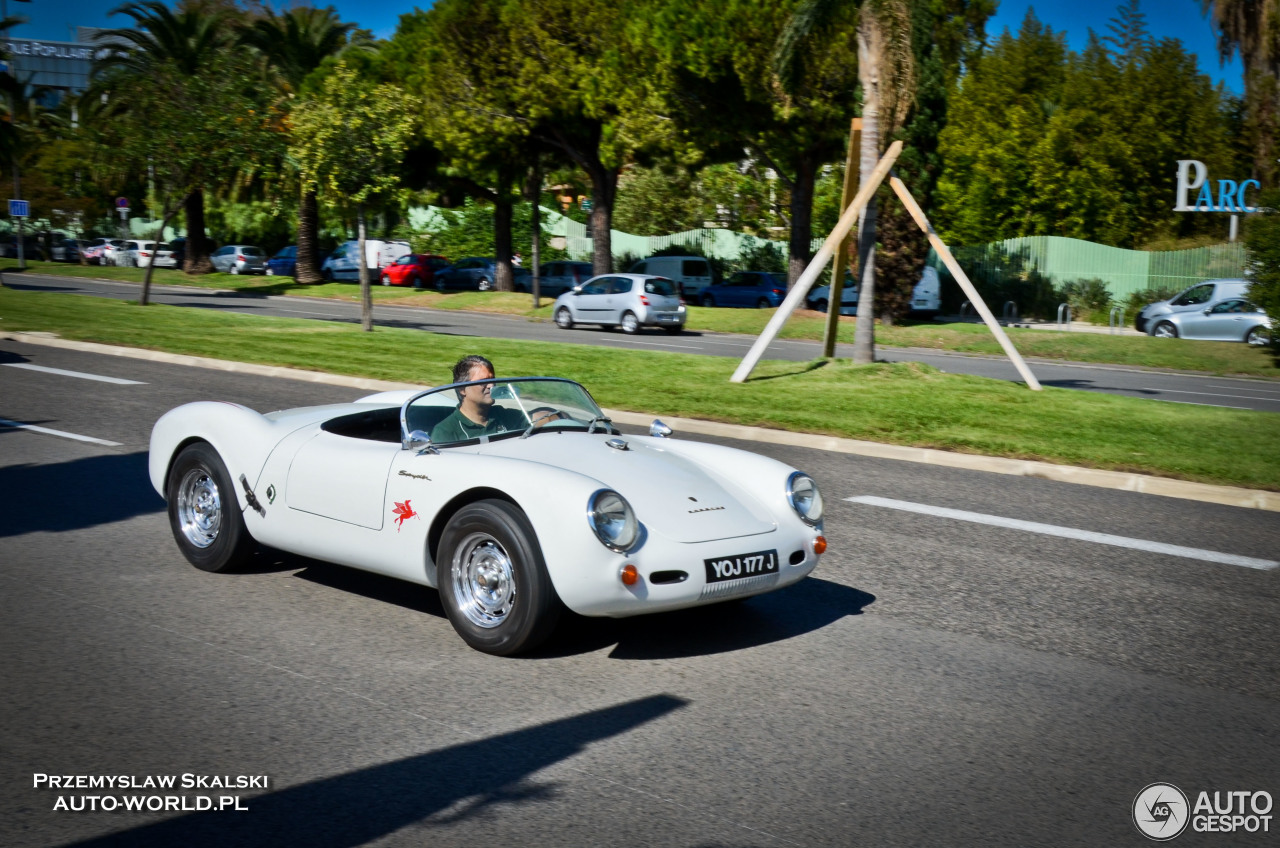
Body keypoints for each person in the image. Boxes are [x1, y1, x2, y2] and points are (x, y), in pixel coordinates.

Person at [429, 355, 564, 444]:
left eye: (493, 380)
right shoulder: (445, 432)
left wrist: (557, 418)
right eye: (484, 381)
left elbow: (540, 418)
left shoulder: (502, 415)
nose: (491, 386)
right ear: (462, 389)